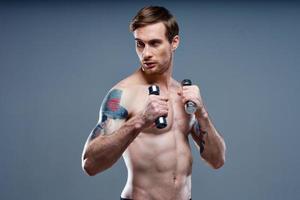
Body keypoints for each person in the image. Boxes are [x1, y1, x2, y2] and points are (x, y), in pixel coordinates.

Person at [81, 6, 226, 200]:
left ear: (174, 42)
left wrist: (202, 114)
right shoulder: (124, 94)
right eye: (140, 44)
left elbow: (217, 160)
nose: (145, 53)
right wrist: (140, 120)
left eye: (154, 43)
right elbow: (90, 164)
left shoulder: (182, 93)